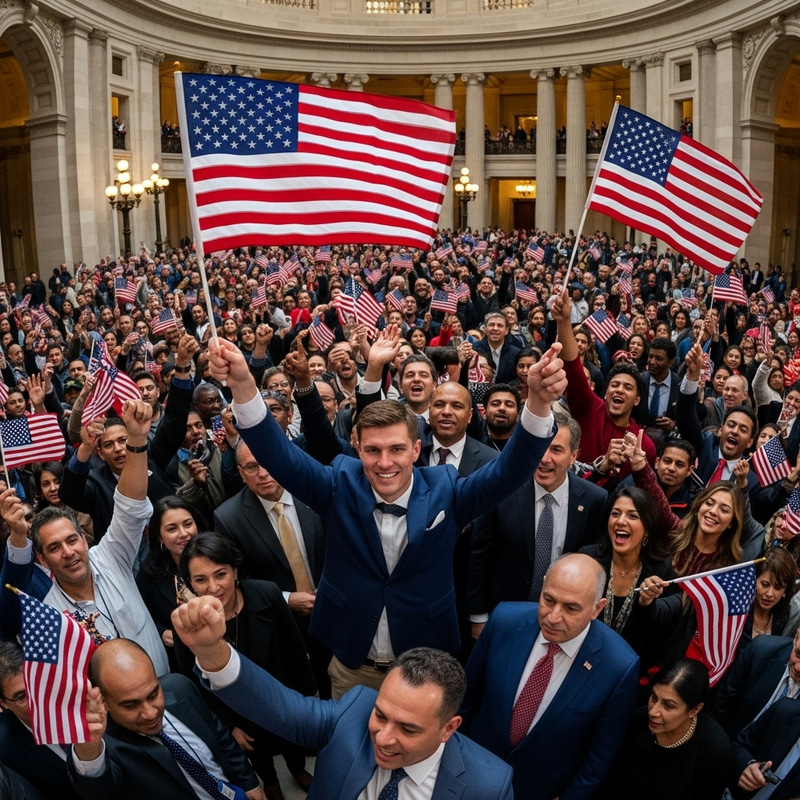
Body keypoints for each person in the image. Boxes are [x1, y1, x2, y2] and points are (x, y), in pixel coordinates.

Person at [207, 333, 566, 698]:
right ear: (357, 447)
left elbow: (509, 471)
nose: (384, 462)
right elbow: (279, 455)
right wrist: (243, 386)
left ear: (415, 450)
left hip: (423, 666)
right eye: (373, 450)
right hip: (352, 667)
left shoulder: (447, 491)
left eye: (396, 449)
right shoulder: (338, 486)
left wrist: (537, 403)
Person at [172, 600, 515, 800]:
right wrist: (211, 651)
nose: (382, 737)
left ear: (448, 728)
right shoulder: (352, 714)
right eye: (381, 716)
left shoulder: (489, 785)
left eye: (408, 729)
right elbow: (282, 709)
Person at [2, 401, 169, 675]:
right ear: (42, 558)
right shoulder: (50, 618)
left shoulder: (110, 557)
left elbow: (130, 507)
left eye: (71, 540)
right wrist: (19, 535)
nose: (68, 552)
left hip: (171, 689)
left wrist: (137, 440)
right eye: (54, 547)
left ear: (83, 538)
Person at [460, 554, 639, 800]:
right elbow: (465, 699)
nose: (553, 617)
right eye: (549, 599)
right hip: (471, 773)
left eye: (571, 608)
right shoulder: (504, 621)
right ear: (543, 585)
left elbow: (600, 757)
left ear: (597, 608)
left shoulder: (618, 667)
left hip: (539, 790)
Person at [174, 532, 316, 799]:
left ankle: (298, 770)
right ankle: (272, 784)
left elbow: (296, 652)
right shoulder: (189, 624)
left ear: (234, 571)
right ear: (190, 583)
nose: (214, 587)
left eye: (220, 574)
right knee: (261, 758)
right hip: (241, 717)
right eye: (201, 580)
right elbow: (195, 684)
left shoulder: (267, 593)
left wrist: (305, 700)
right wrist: (228, 726)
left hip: (284, 700)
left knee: (294, 745)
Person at [68, 639, 264, 800]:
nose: (150, 713)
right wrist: (89, 751)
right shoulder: (105, 750)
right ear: (105, 701)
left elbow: (221, 738)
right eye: (131, 705)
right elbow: (100, 793)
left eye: (153, 694)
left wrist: (250, 783)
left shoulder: (180, 687)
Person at [467, 412, 607, 632]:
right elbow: (478, 558)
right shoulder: (502, 491)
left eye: (556, 449)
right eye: (539, 448)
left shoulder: (595, 500)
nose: (544, 458)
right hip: (503, 616)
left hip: (563, 623)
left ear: (574, 456)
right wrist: (478, 617)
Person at [602, 659, 732, 800]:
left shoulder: (715, 752)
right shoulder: (635, 720)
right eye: (654, 697)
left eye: (668, 706)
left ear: (695, 710)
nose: (653, 712)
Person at [579, 487, 674, 661]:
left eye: (632, 516)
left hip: (630, 668)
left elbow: (661, 632)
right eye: (615, 514)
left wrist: (648, 604)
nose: (621, 521)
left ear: (647, 529)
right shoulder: (587, 558)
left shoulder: (662, 571)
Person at [0, 642, 82, 799]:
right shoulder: (6, 749)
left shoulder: (79, 697)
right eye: (22, 696)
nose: (37, 700)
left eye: (37, 684)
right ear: (3, 703)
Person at [135, 496, 202, 671]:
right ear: (160, 537)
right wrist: (161, 632)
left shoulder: (219, 557)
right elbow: (141, 613)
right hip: (184, 662)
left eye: (188, 524)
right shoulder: (149, 572)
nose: (183, 533)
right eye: (172, 529)